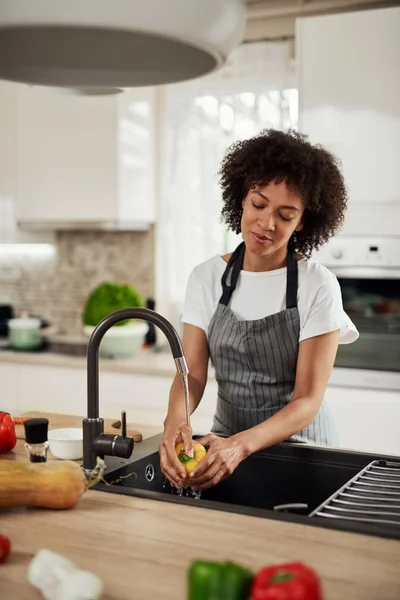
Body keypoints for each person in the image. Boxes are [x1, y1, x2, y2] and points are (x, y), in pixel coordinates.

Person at [159, 129, 359, 491]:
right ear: (241, 199)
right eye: (258, 204)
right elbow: (193, 376)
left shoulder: (318, 285)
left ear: (304, 221)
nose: (267, 224)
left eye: (286, 215)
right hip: (224, 448)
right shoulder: (206, 278)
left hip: (303, 453)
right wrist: (175, 422)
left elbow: (307, 399)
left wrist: (241, 444)